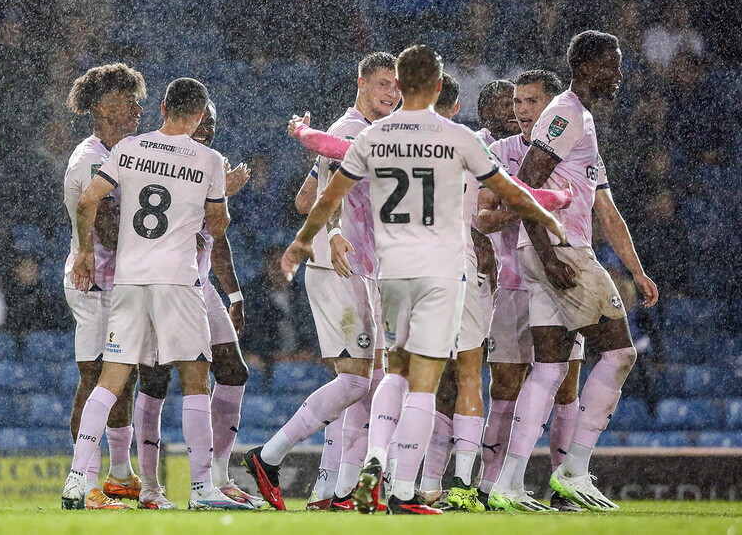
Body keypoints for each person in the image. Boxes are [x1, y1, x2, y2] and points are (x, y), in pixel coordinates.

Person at [281, 44, 566, 515]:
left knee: (392, 371)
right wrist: (551, 208)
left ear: (405, 86)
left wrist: (305, 141)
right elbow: (510, 191)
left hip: (392, 271)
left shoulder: (377, 137)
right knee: (426, 381)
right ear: (437, 87)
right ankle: (407, 488)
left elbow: (328, 184)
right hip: (442, 270)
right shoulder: (457, 138)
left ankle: (374, 459)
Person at [488, 31, 659, 513]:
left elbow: (605, 207)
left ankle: (509, 483)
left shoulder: (579, 119)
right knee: (621, 353)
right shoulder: (566, 114)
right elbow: (526, 184)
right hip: (560, 249)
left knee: (548, 368)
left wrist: (636, 269)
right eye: (611, 63)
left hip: (546, 251)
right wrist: (547, 254)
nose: (618, 73)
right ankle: (574, 470)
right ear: (586, 67)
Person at [61, 77, 250, 511]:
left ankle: (76, 480)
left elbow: (89, 202)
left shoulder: (128, 150)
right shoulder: (209, 159)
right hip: (177, 282)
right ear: (200, 115)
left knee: (110, 381)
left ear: (162, 106)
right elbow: (218, 227)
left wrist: (86, 251)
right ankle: (203, 488)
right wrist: (205, 206)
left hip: (128, 279)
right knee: (195, 377)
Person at [244, 52, 400, 513]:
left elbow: (304, 198)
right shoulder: (352, 131)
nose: (391, 94)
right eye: (383, 85)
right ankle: (269, 457)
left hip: (358, 267)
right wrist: (333, 232)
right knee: (357, 382)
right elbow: (325, 201)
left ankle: (332, 491)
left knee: (364, 383)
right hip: (338, 266)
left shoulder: (350, 131)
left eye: (396, 87)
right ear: (361, 83)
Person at [132, 99, 261, 509]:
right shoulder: (163, 159)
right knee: (155, 380)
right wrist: (220, 194)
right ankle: (151, 486)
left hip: (200, 284)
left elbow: (215, 239)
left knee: (233, 371)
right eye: (200, 119)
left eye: (212, 121)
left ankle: (218, 478)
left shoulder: (209, 162)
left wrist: (234, 293)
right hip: (163, 279)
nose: (206, 127)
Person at [477, 69, 585, 512]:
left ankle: (565, 488)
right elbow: (481, 219)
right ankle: (488, 486)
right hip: (514, 283)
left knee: (566, 385)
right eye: (515, 104)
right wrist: (518, 208)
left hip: (564, 276)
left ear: (550, 106)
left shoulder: (573, 145)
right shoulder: (497, 153)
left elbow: (598, 205)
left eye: (527, 103)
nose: (520, 111)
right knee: (504, 383)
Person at [61, 63, 147, 510]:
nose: (135, 108)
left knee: (122, 380)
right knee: (95, 379)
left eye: (136, 99)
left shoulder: (129, 149)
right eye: (123, 100)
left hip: (122, 281)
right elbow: (111, 228)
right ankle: (83, 481)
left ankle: (119, 474)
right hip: (93, 283)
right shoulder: (91, 158)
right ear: (99, 107)